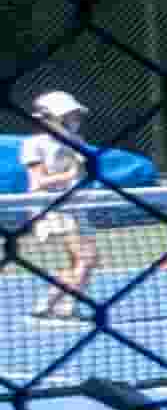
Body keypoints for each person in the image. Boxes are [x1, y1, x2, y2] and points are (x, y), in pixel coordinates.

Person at [13, 86, 99, 334]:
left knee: (83, 261)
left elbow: (82, 173)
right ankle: (62, 309)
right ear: (50, 117)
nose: (74, 119)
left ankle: (49, 307)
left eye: (75, 115)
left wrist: (79, 171)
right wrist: (70, 174)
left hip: (73, 206)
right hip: (50, 208)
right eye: (69, 115)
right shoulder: (33, 144)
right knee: (87, 258)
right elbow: (38, 181)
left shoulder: (76, 141)